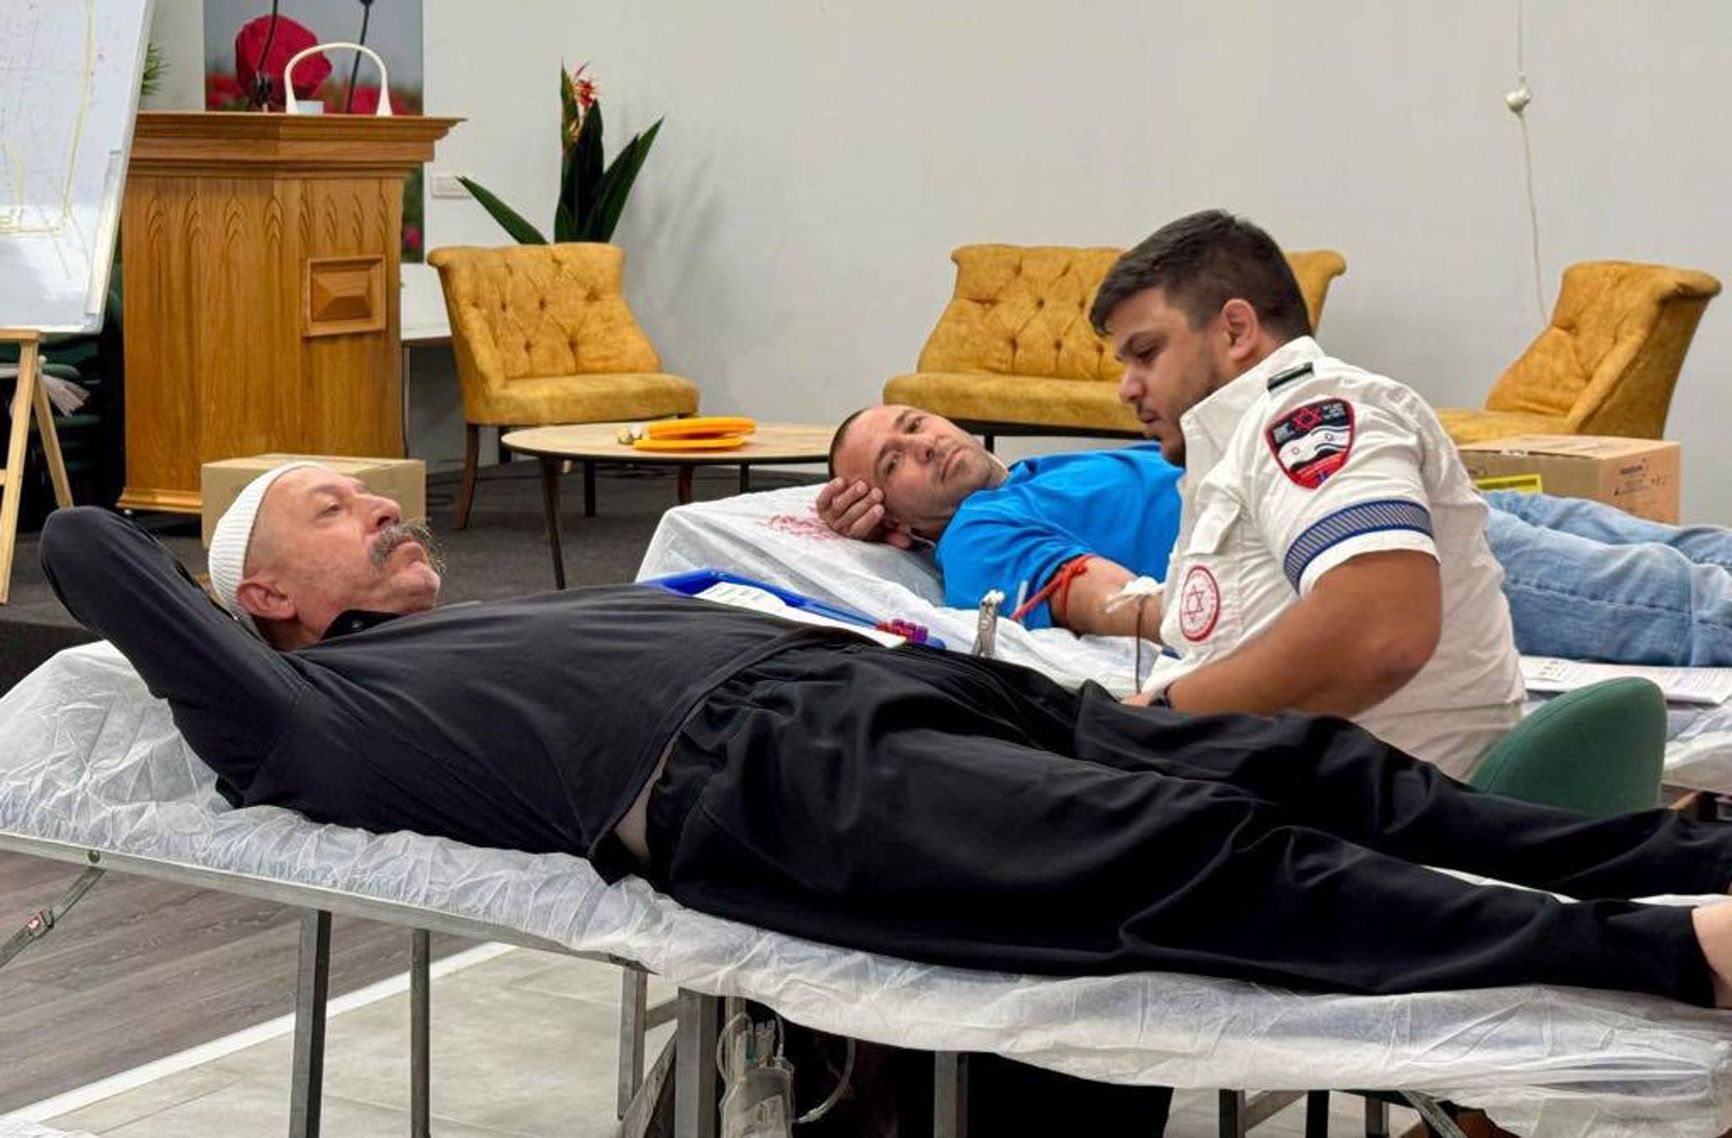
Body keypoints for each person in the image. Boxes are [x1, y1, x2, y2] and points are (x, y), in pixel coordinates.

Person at [35, 465, 1732, 1012]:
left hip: (875, 688)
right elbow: (86, 543)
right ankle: (1663, 953)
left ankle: (1682, 851)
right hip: (753, 777)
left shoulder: (463, 624)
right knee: (1195, 854)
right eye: (333, 509)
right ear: (263, 599)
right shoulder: (301, 717)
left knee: (1294, 761)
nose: (384, 507)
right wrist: (225, 614)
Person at [830, 210, 1524, 777]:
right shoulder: (1217, 452)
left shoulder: (1302, 416)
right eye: (892, 463)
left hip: (1394, 803)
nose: (1126, 388)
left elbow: (1380, 628)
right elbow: (1125, 602)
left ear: (1236, 330)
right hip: (1375, 779)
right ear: (891, 518)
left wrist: (1162, 717)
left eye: (1147, 353)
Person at [819, 406, 1732, 665]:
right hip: (1337, 545)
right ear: (890, 519)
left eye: (915, 422)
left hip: (1383, 491)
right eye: (894, 459)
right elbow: (1099, 598)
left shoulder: (1035, 474)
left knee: (1677, 546)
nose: (923, 442)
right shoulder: (979, 535)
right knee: (1664, 600)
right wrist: (1239, 624)